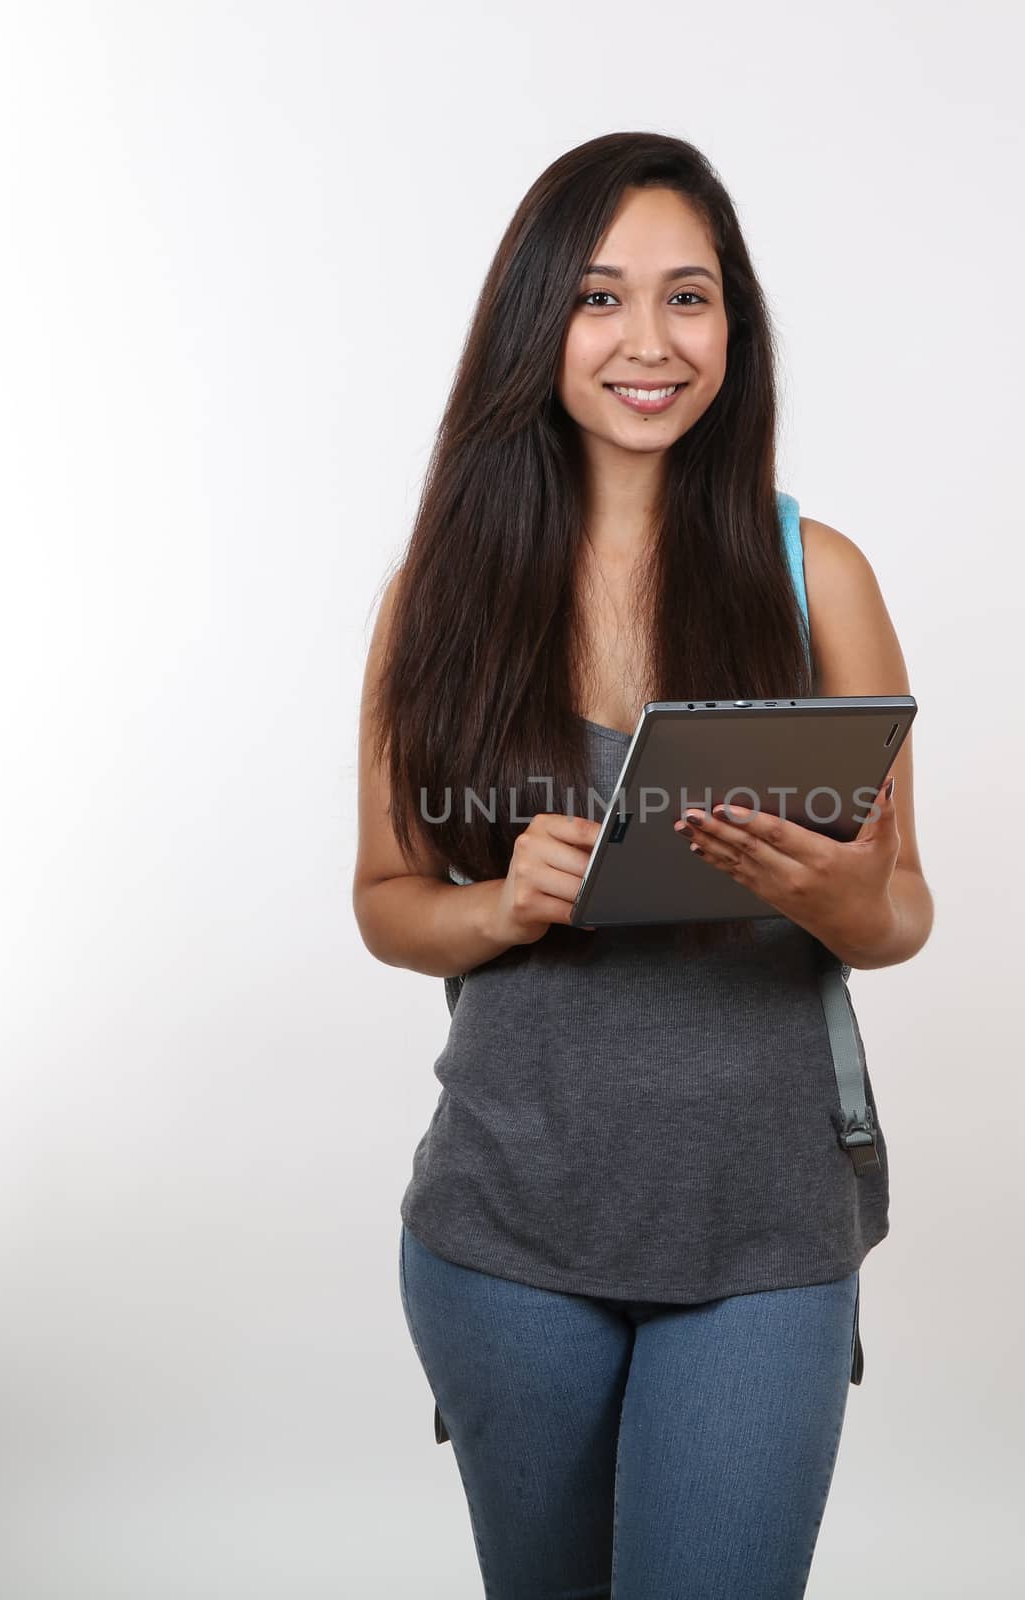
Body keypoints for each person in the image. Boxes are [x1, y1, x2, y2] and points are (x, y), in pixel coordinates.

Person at [353, 131, 934, 1599]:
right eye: (601, 298)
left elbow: (900, 908)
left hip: (763, 1235)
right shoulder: (438, 595)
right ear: (536, 322)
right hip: (505, 1235)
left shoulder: (823, 581)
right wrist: (496, 905)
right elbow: (386, 901)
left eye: (690, 297)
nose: (647, 341)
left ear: (732, 327)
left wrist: (828, 893)